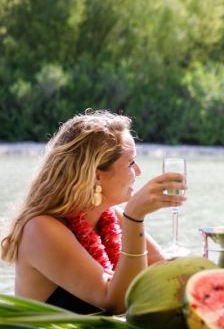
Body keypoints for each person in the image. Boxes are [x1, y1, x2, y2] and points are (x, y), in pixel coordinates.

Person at [0, 110, 186, 314]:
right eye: (131, 162)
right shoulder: (41, 229)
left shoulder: (111, 216)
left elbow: (163, 273)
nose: (139, 171)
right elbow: (115, 302)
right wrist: (134, 218)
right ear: (97, 175)